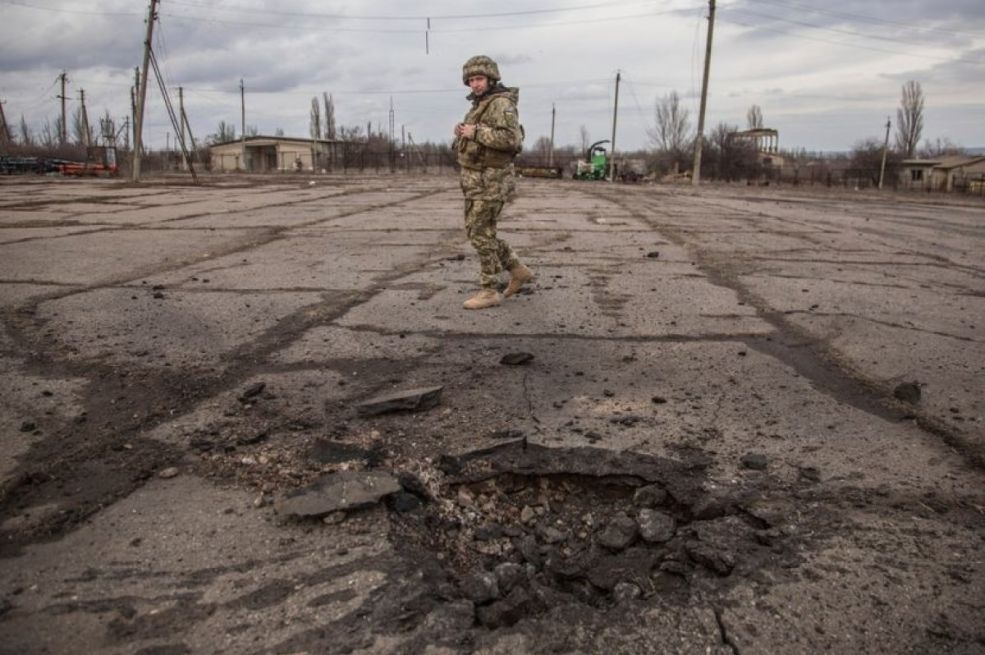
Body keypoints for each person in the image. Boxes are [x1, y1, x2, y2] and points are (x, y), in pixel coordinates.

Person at [453, 55, 533, 310]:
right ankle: (517, 270)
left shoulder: (501, 103)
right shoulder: (481, 104)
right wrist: (463, 133)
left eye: (479, 79)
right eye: (471, 80)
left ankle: (489, 289)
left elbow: (511, 140)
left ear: (491, 78)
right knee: (480, 232)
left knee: (479, 232)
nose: (474, 84)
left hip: (492, 181)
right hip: (477, 181)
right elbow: (481, 138)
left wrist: (475, 132)